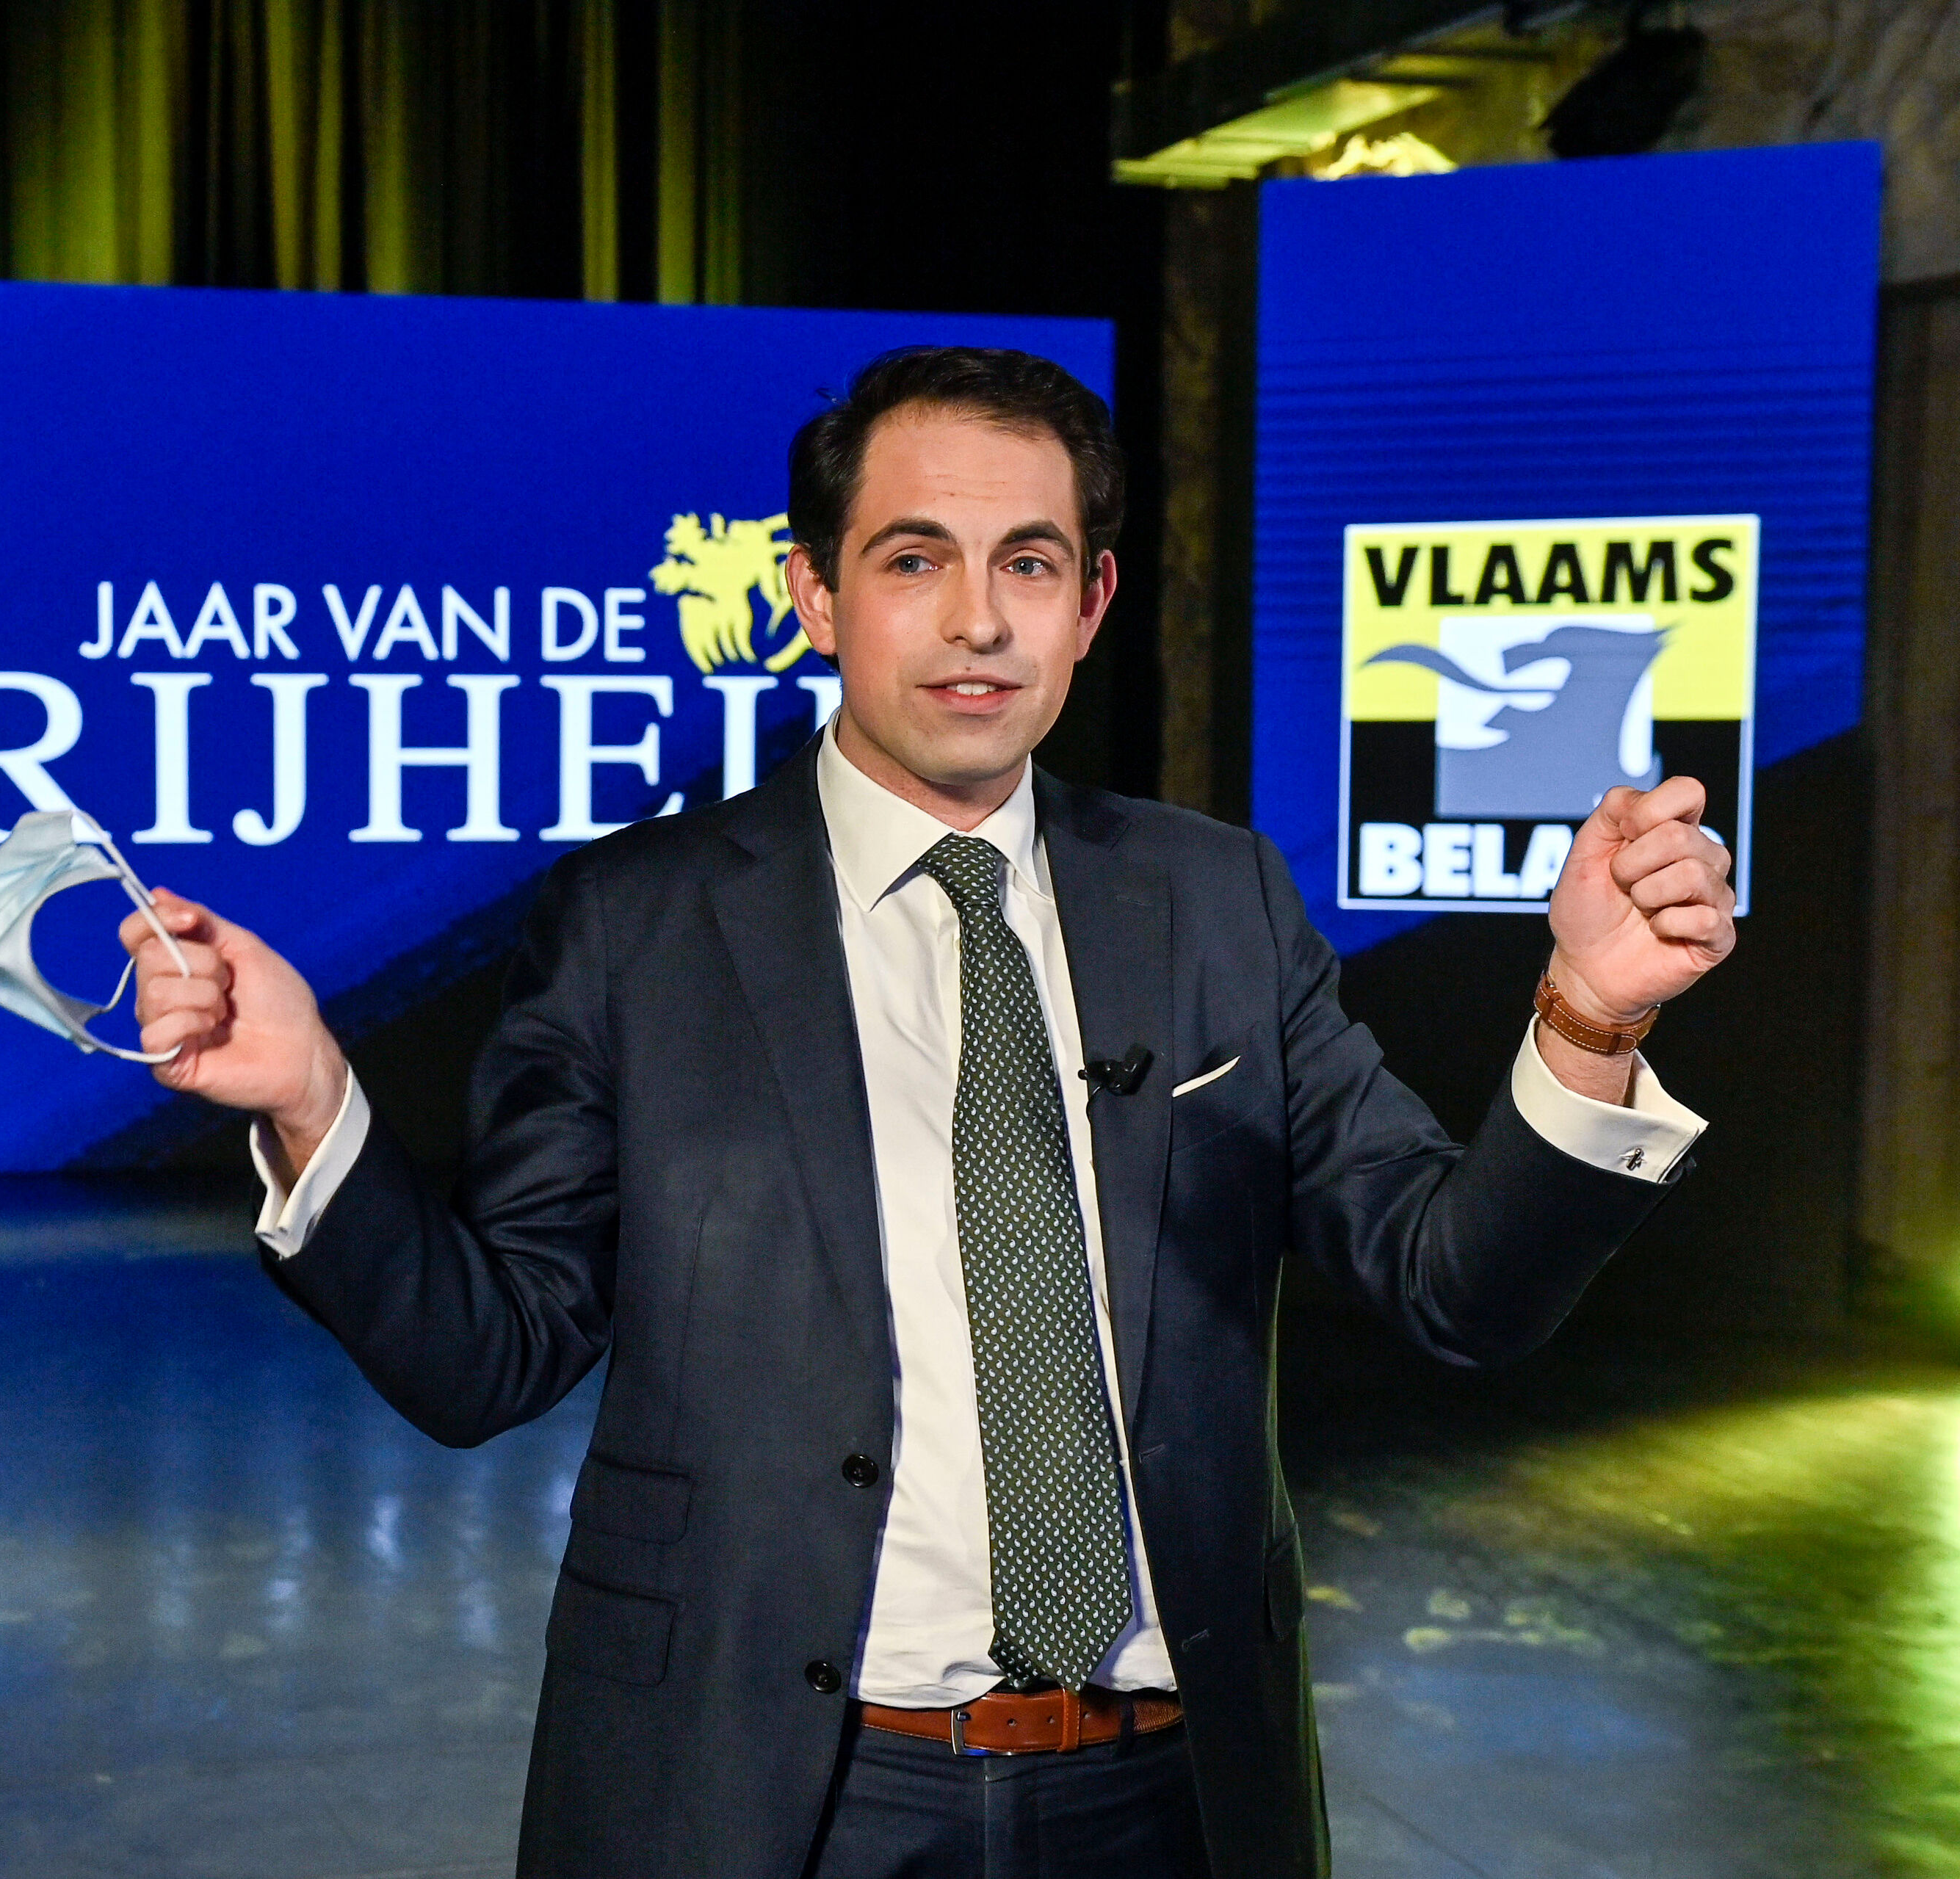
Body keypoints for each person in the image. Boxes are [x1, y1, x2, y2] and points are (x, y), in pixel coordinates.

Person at [117, 347, 1732, 1879]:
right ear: (816, 594)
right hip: (780, 1795)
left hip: (1169, 1795)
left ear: (1092, 605)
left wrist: (1591, 1016)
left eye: (1030, 563)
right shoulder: (639, 924)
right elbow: (490, 1356)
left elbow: (1457, 1286)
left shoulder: (1215, 901)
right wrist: (313, 1099)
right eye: (914, 559)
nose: (977, 619)